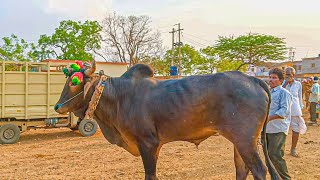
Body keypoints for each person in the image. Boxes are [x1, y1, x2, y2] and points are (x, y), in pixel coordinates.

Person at [266, 68, 292, 180]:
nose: (271, 80)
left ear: (281, 80)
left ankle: (285, 178)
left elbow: (284, 111)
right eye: (270, 77)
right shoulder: (267, 92)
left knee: (275, 155)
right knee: (268, 156)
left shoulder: (284, 93)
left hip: (278, 129)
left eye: (274, 78)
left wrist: (269, 118)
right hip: (267, 129)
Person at [283, 67, 307, 157]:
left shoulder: (298, 84)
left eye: (289, 74)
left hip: (295, 110)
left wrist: (300, 108)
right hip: (284, 111)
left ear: (293, 75)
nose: (287, 76)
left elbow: (300, 97)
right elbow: (280, 92)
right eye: (286, 74)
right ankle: (281, 149)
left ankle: (293, 149)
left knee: (296, 130)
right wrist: (285, 83)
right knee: (282, 131)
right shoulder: (282, 84)